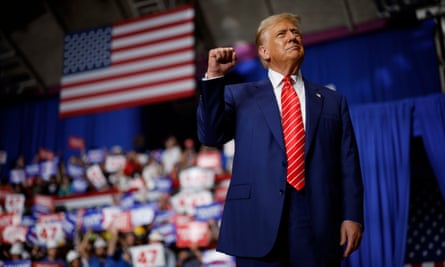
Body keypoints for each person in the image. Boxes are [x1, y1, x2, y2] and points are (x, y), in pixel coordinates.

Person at [197, 12, 364, 267]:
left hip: (317, 220)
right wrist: (214, 78)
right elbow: (210, 135)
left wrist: (352, 215)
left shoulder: (332, 100)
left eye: (295, 33)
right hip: (256, 221)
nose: (292, 37)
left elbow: (348, 163)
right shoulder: (238, 95)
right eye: (282, 34)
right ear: (264, 52)